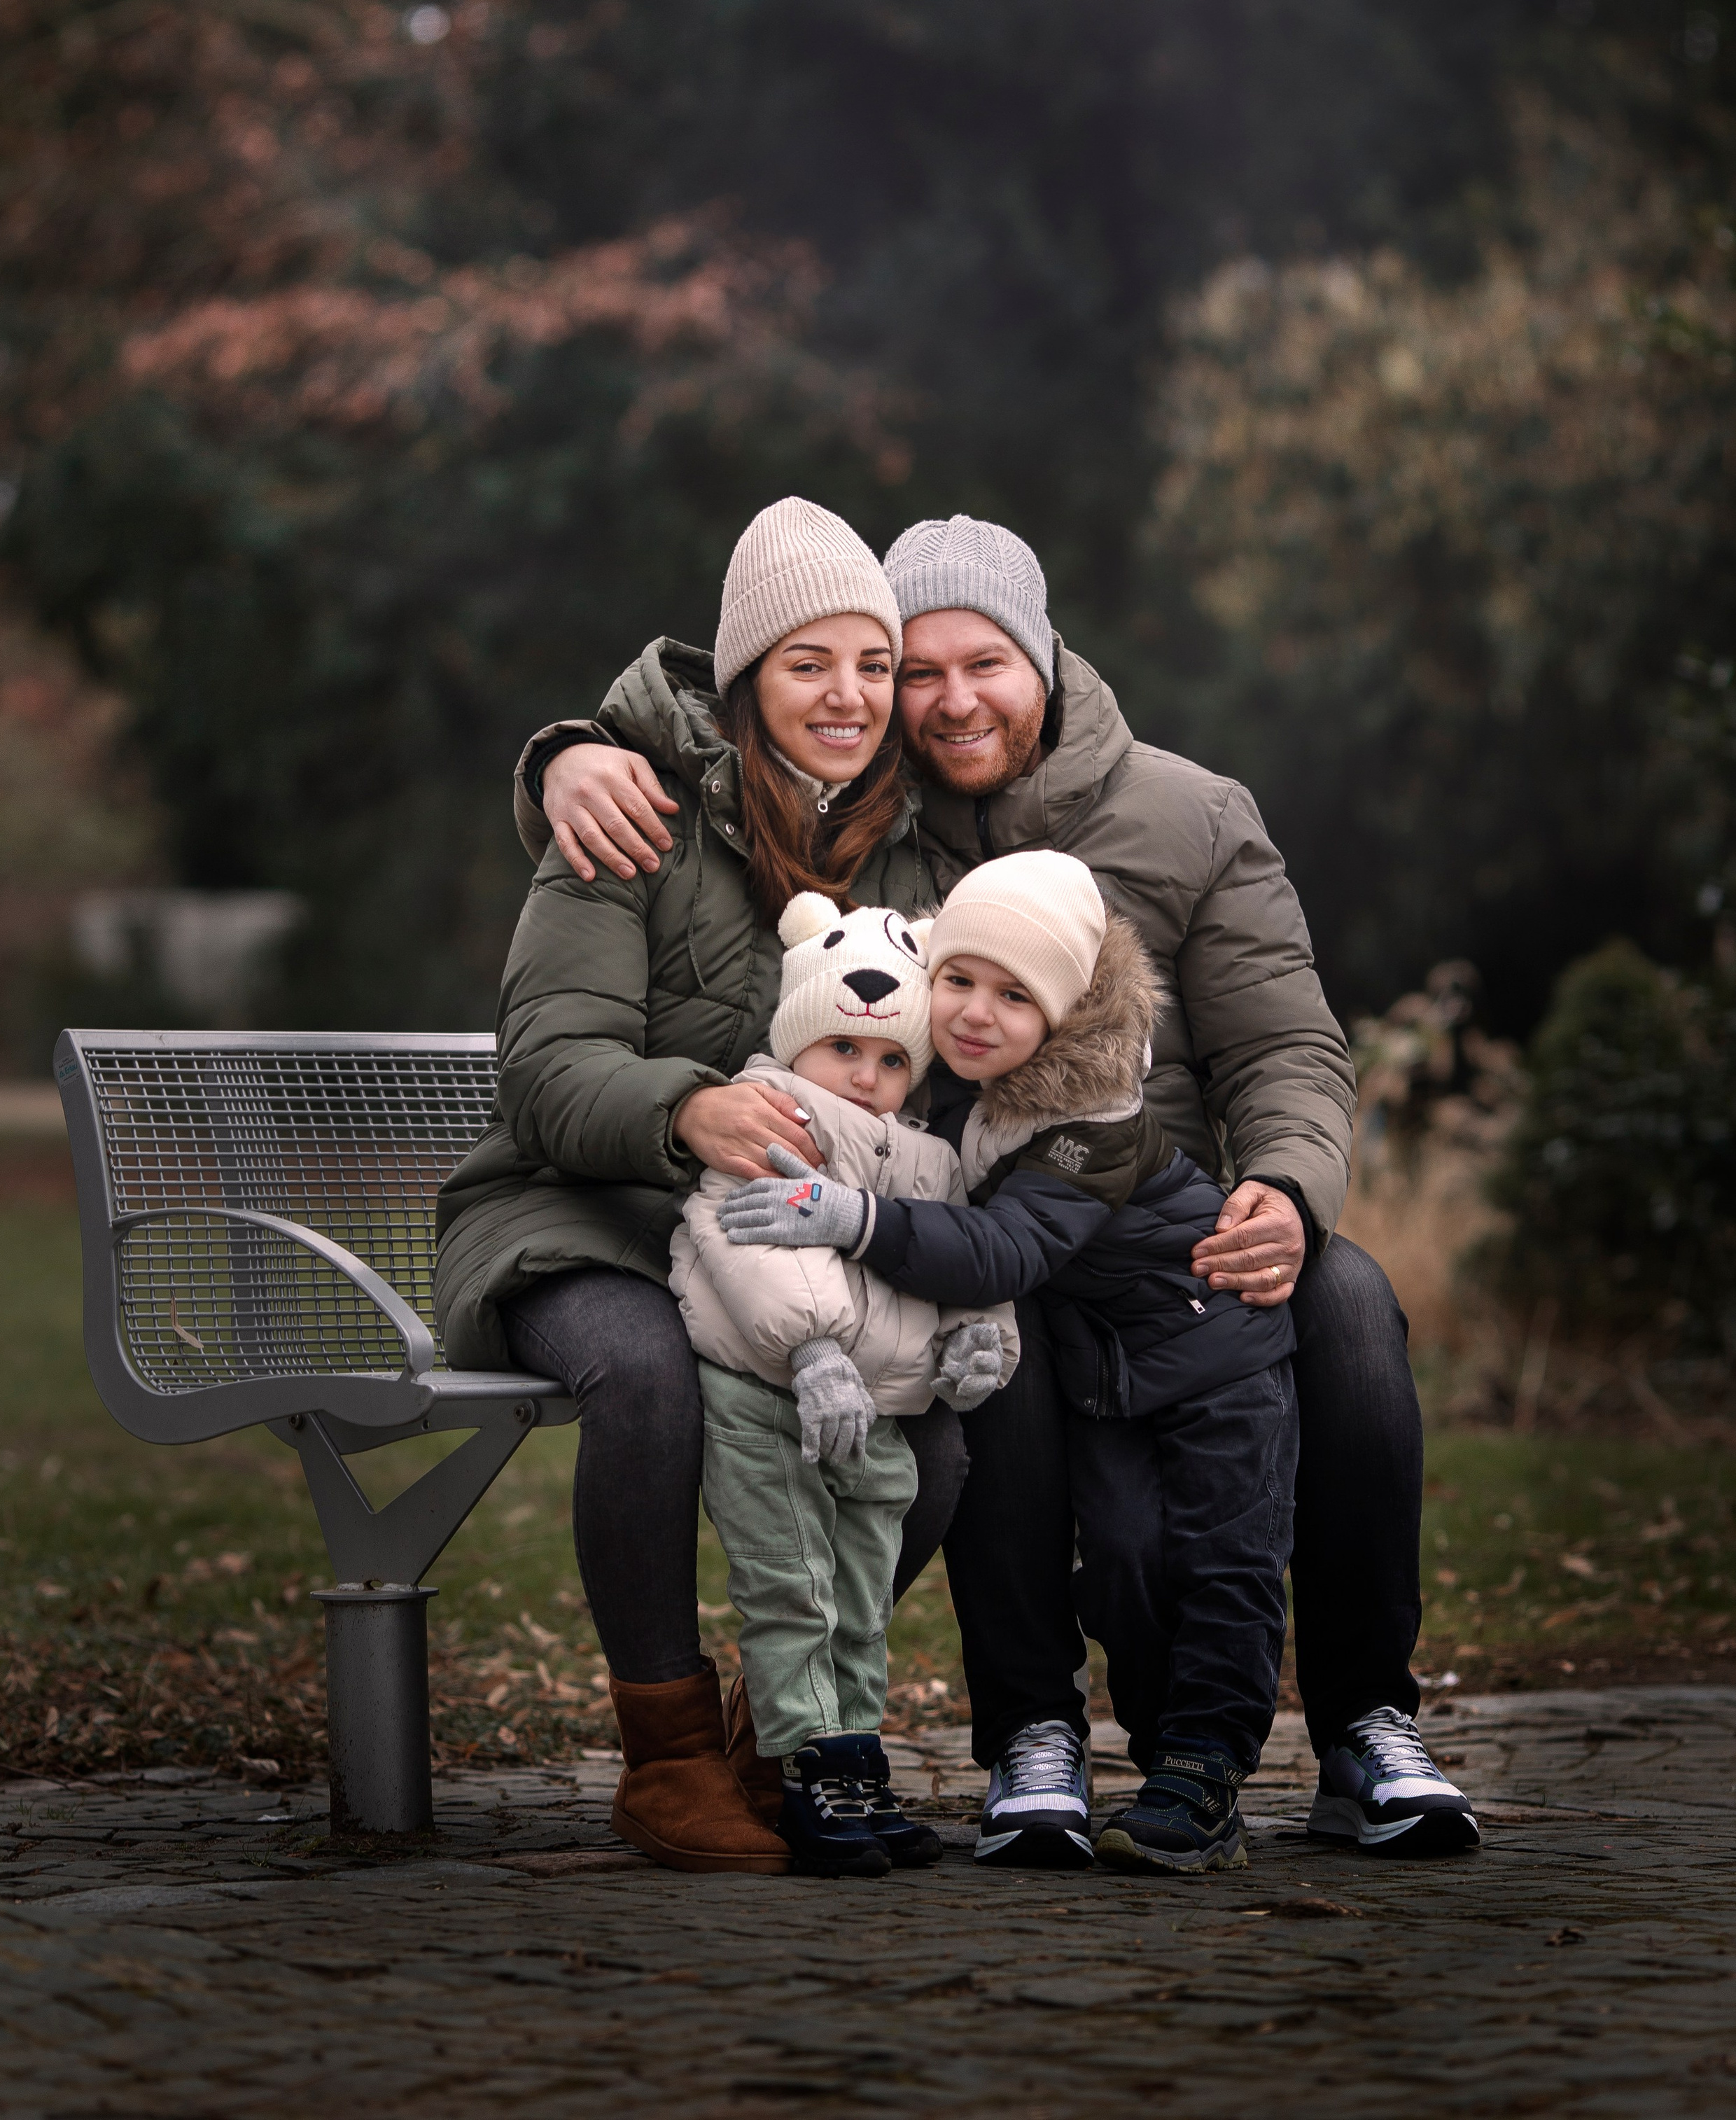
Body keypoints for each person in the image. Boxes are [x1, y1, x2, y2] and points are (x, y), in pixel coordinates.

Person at [531, 514, 1481, 1859]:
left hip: (1162, 1223)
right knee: (986, 1330)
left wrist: (1284, 1186)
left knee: (1351, 1307)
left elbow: (1284, 1045)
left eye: (984, 663)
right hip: (974, 1221)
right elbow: (722, 772)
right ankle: (1029, 1730)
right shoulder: (884, 824)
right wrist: (563, 757)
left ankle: (1367, 1723)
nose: (950, 699)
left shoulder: (1193, 816)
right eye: (916, 670)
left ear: (1046, 659)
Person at [432, 497, 965, 1876]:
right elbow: (547, 1071)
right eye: (806, 663)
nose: (846, 696)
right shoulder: (631, 816)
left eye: (871, 664)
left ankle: (784, 1741)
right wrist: (686, 1108)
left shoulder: (913, 849)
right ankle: (665, 1757)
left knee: (933, 1424)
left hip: (790, 1237)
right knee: (646, 1371)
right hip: (579, 1218)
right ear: (743, 682)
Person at [722, 851, 1298, 1876]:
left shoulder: (1090, 1121)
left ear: (1067, 1014)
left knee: (1220, 1559)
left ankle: (1202, 1767)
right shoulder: (951, 1086)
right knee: (1124, 1558)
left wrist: (850, 1216)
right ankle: (1135, 1757)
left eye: (1016, 995)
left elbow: (1005, 1250)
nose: (976, 1014)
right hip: (1111, 1374)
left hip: (1215, 1354)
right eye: (958, 979)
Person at [672, 891, 1016, 1876]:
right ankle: (806, 1767)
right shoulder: (768, 1118)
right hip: (769, 1398)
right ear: (799, 1040)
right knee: (794, 1588)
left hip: (883, 1414)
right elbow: (742, 1244)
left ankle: (856, 1758)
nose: (867, 1077)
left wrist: (980, 1337)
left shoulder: (931, 1158)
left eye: (893, 1059)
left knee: (863, 1593)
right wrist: (813, 1350)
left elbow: (960, 1255)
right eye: (844, 1049)